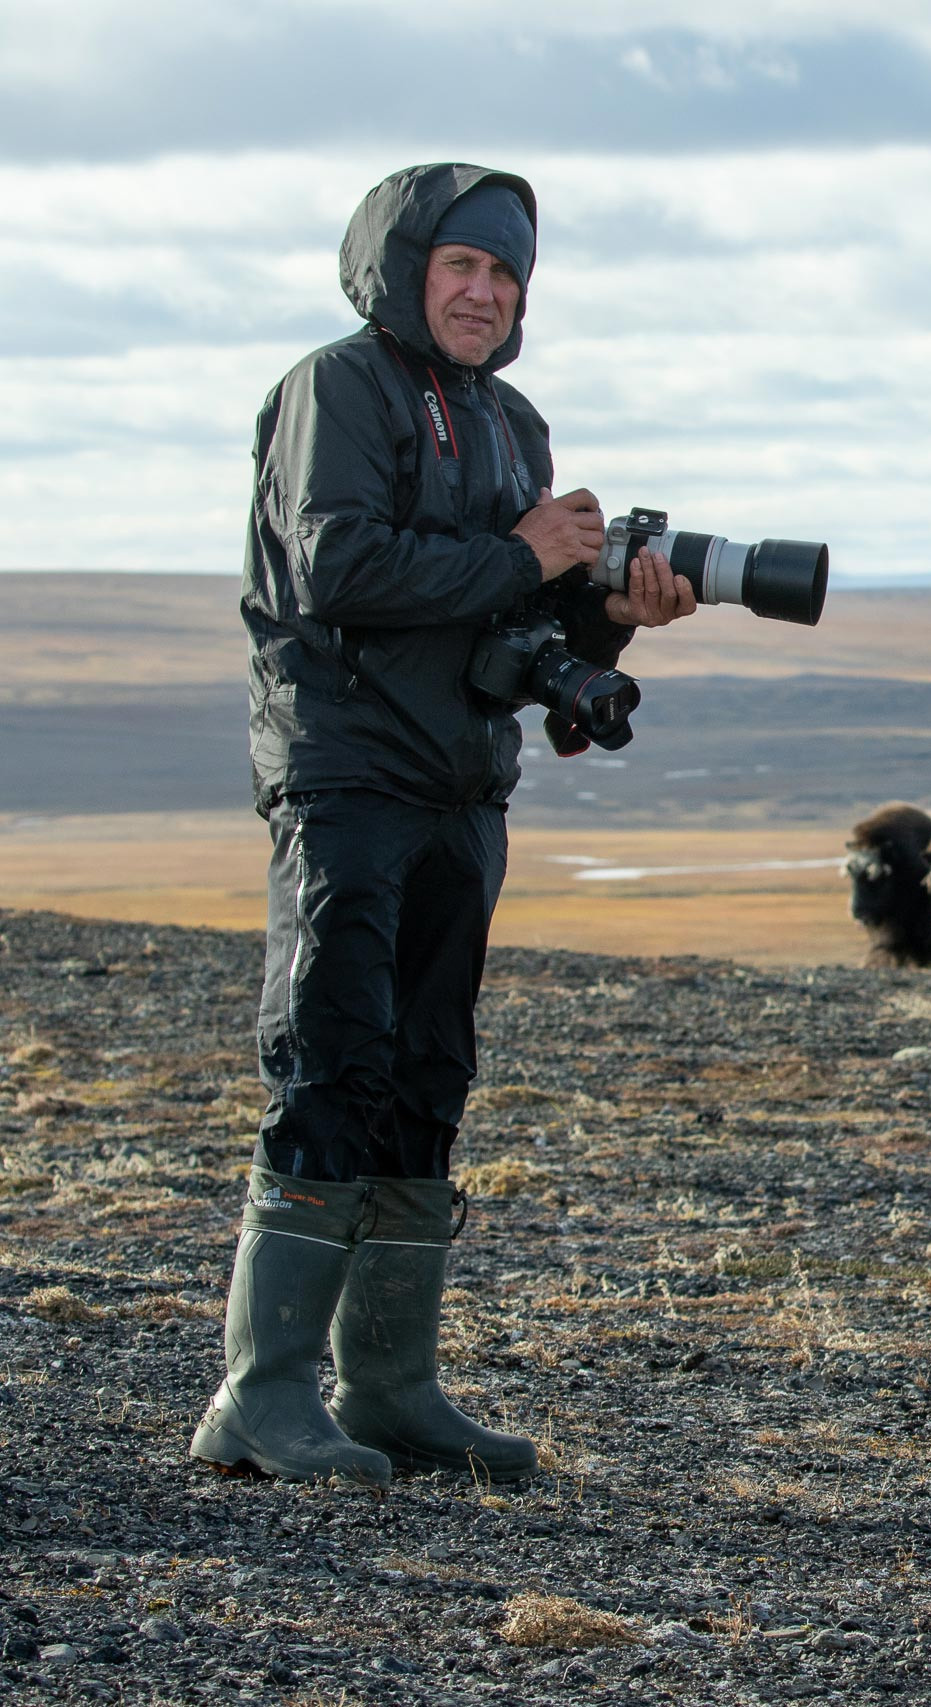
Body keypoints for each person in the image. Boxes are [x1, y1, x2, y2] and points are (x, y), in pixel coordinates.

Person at [193, 164, 695, 1486]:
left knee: (428, 1075)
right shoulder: (338, 389)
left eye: (507, 274)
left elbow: (505, 623)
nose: (484, 291)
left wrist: (608, 617)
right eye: (461, 266)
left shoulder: (511, 421)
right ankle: (262, 1397)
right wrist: (528, 553)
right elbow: (340, 567)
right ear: (404, 266)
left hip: (465, 786)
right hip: (347, 772)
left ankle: (394, 1386)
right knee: (331, 1057)